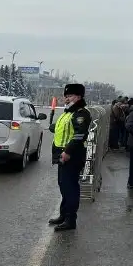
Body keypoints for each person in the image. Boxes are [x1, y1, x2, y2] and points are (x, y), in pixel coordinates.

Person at [48, 83, 92, 232]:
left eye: (70, 96)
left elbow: (79, 135)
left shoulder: (81, 113)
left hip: (72, 155)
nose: (66, 99)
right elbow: (65, 130)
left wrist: (67, 152)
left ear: (79, 97)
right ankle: (63, 215)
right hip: (62, 154)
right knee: (63, 185)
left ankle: (70, 219)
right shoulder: (68, 112)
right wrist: (53, 127)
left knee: (70, 187)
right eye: (66, 96)